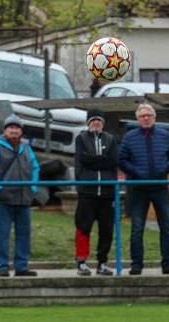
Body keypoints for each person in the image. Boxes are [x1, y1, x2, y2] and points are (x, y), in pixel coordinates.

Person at [118, 103, 169, 275]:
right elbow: (121, 159)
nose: (146, 118)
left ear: (154, 118)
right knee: (137, 229)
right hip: (137, 189)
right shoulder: (129, 137)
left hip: (160, 187)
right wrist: (136, 173)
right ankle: (136, 265)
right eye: (142, 116)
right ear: (138, 119)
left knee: (167, 228)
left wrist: (165, 168)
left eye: (149, 115)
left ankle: (168, 264)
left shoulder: (164, 135)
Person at [0, 114, 40, 277]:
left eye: (17, 127)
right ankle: (2, 266)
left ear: (21, 131)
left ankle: (21, 266)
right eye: (10, 127)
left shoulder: (27, 148)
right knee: (2, 235)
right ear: (5, 130)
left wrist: (32, 187)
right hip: (4, 199)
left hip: (24, 198)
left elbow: (35, 167)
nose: (14, 130)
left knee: (24, 234)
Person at [73, 109, 119, 276]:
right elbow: (82, 159)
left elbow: (113, 160)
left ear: (103, 123)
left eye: (99, 120)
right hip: (87, 191)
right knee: (83, 227)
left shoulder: (111, 139)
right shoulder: (81, 139)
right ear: (88, 123)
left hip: (106, 193)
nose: (96, 123)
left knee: (106, 229)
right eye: (93, 120)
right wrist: (100, 161)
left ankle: (102, 263)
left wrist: (93, 160)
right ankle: (82, 262)